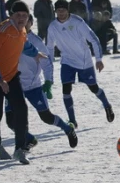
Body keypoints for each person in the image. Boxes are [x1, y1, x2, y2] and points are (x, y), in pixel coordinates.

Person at [0, 1, 44, 165]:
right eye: (18, 15)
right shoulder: (2, 31)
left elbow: (24, 44)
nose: (22, 18)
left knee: (21, 108)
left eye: (25, 15)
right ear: (11, 15)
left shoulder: (21, 30)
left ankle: (20, 149)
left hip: (11, 76)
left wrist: (35, 53)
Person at [7, 15, 78, 149]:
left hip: (33, 86)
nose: (23, 23)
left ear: (31, 23)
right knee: (11, 121)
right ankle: (30, 139)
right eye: (20, 20)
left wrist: (48, 82)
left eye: (26, 21)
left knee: (46, 117)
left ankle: (68, 129)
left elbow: (47, 63)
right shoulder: (10, 38)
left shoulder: (36, 41)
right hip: (13, 85)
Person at [47, 0, 114, 127]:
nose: (61, 13)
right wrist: (49, 64)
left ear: (68, 10)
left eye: (63, 10)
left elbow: (94, 39)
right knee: (66, 90)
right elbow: (49, 48)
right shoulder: (53, 27)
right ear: (55, 11)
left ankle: (107, 105)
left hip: (84, 61)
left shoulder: (77, 22)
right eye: (58, 11)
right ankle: (72, 120)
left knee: (93, 88)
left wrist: (98, 60)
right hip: (66, 61)